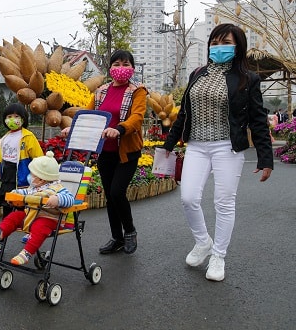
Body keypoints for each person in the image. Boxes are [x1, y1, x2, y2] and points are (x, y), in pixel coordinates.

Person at [163, 23, 273, 282]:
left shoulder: (248, 79)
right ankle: (203, 242)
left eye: (225, 42)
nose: (218, 46)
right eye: (214, 41)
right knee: (188, 198)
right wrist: (168, 144)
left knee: (224, 202)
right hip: (197, 146)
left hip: (227, 146)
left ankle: (218, 255)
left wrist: (265, 158)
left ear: (237, 47)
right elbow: (184, 113)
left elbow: (258, 119)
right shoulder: (197, 74)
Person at [61, 50, 147, 255]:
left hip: (126, 152)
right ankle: (116, 237)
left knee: (118, 192)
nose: (121, 68)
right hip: (105, 152)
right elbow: (88, 116)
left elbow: (137, 118)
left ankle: (130, 232)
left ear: (132, 68)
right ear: (110, 68)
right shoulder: (101, 91)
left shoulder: (138, 91)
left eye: (126, 64)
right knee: (110, 195)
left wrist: (119, 129)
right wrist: (71, 128)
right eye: (116, 63)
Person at [0, 151, 74, 265]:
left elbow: (70, 199)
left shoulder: (57, 188)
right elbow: (24, 192)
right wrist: (15, 194)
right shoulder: (34, 187)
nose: (29, 176)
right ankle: (0, 232)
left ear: (42, 179)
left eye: (32, 174)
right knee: (15, 216)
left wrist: (58, 199)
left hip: (50, 219)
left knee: (40, 227)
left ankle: (26, 253)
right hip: (30, 216)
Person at [0, 103, 43, 252]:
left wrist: (40, 176)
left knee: (27, 209)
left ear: (23, 119)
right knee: (7, 210)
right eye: (9, 117)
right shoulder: (5, 138)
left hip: (23, 180)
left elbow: (39, 157)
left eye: (16, 116)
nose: (12, 119)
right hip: (8, 178)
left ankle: (31, 233)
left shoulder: (28, 136)